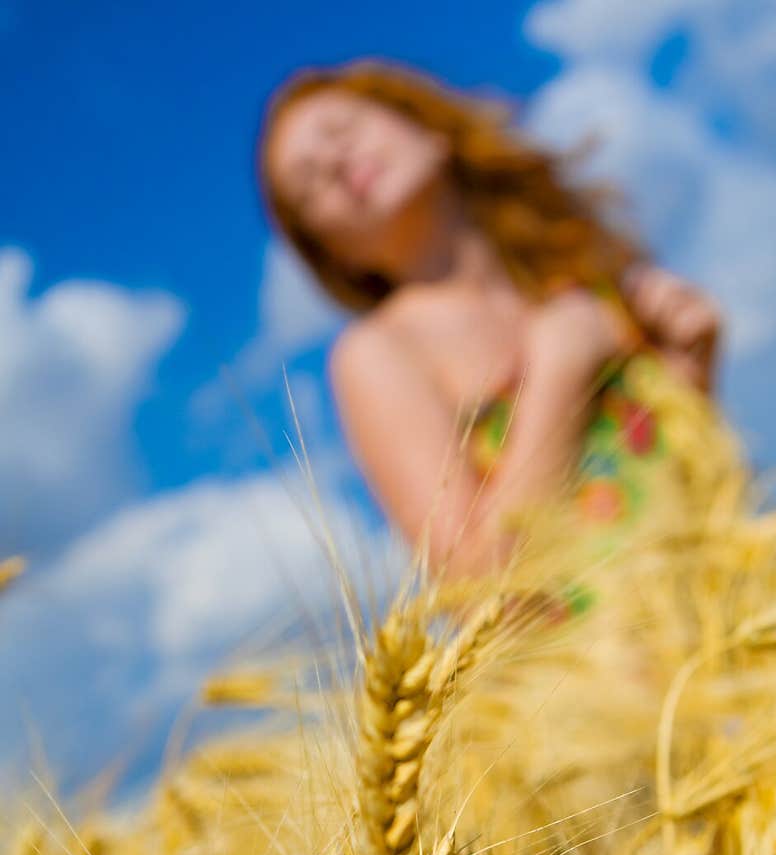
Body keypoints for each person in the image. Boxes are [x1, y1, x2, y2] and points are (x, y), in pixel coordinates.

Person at [257, 61, 724, 593]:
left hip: (709, 619)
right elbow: (479, 590)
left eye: (341, 130)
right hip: (596, 668)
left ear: (427, 127)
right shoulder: (378, 352)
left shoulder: (576, 276)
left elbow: (665, 482)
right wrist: (561, 369)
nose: (334, 163)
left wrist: (693, 369)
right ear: (335, 253)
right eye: (308, 186)